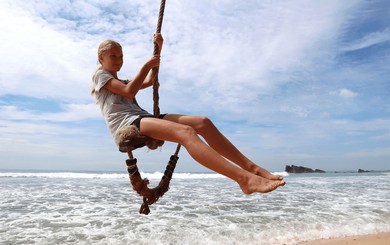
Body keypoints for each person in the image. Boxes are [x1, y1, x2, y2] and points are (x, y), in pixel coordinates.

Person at [92, 33, 285, 194]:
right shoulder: (100, 75)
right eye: (113, 57)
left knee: (202, 123)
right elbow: (129, 92)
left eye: (121, 56)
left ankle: (253, 169)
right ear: (101, 58)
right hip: (127, 124)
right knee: (186, 132)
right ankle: (244, 179)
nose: (119, 60)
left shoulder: (123, 80)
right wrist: (146, 66)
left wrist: (158, 48)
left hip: (142, 117)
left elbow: (149, 81)